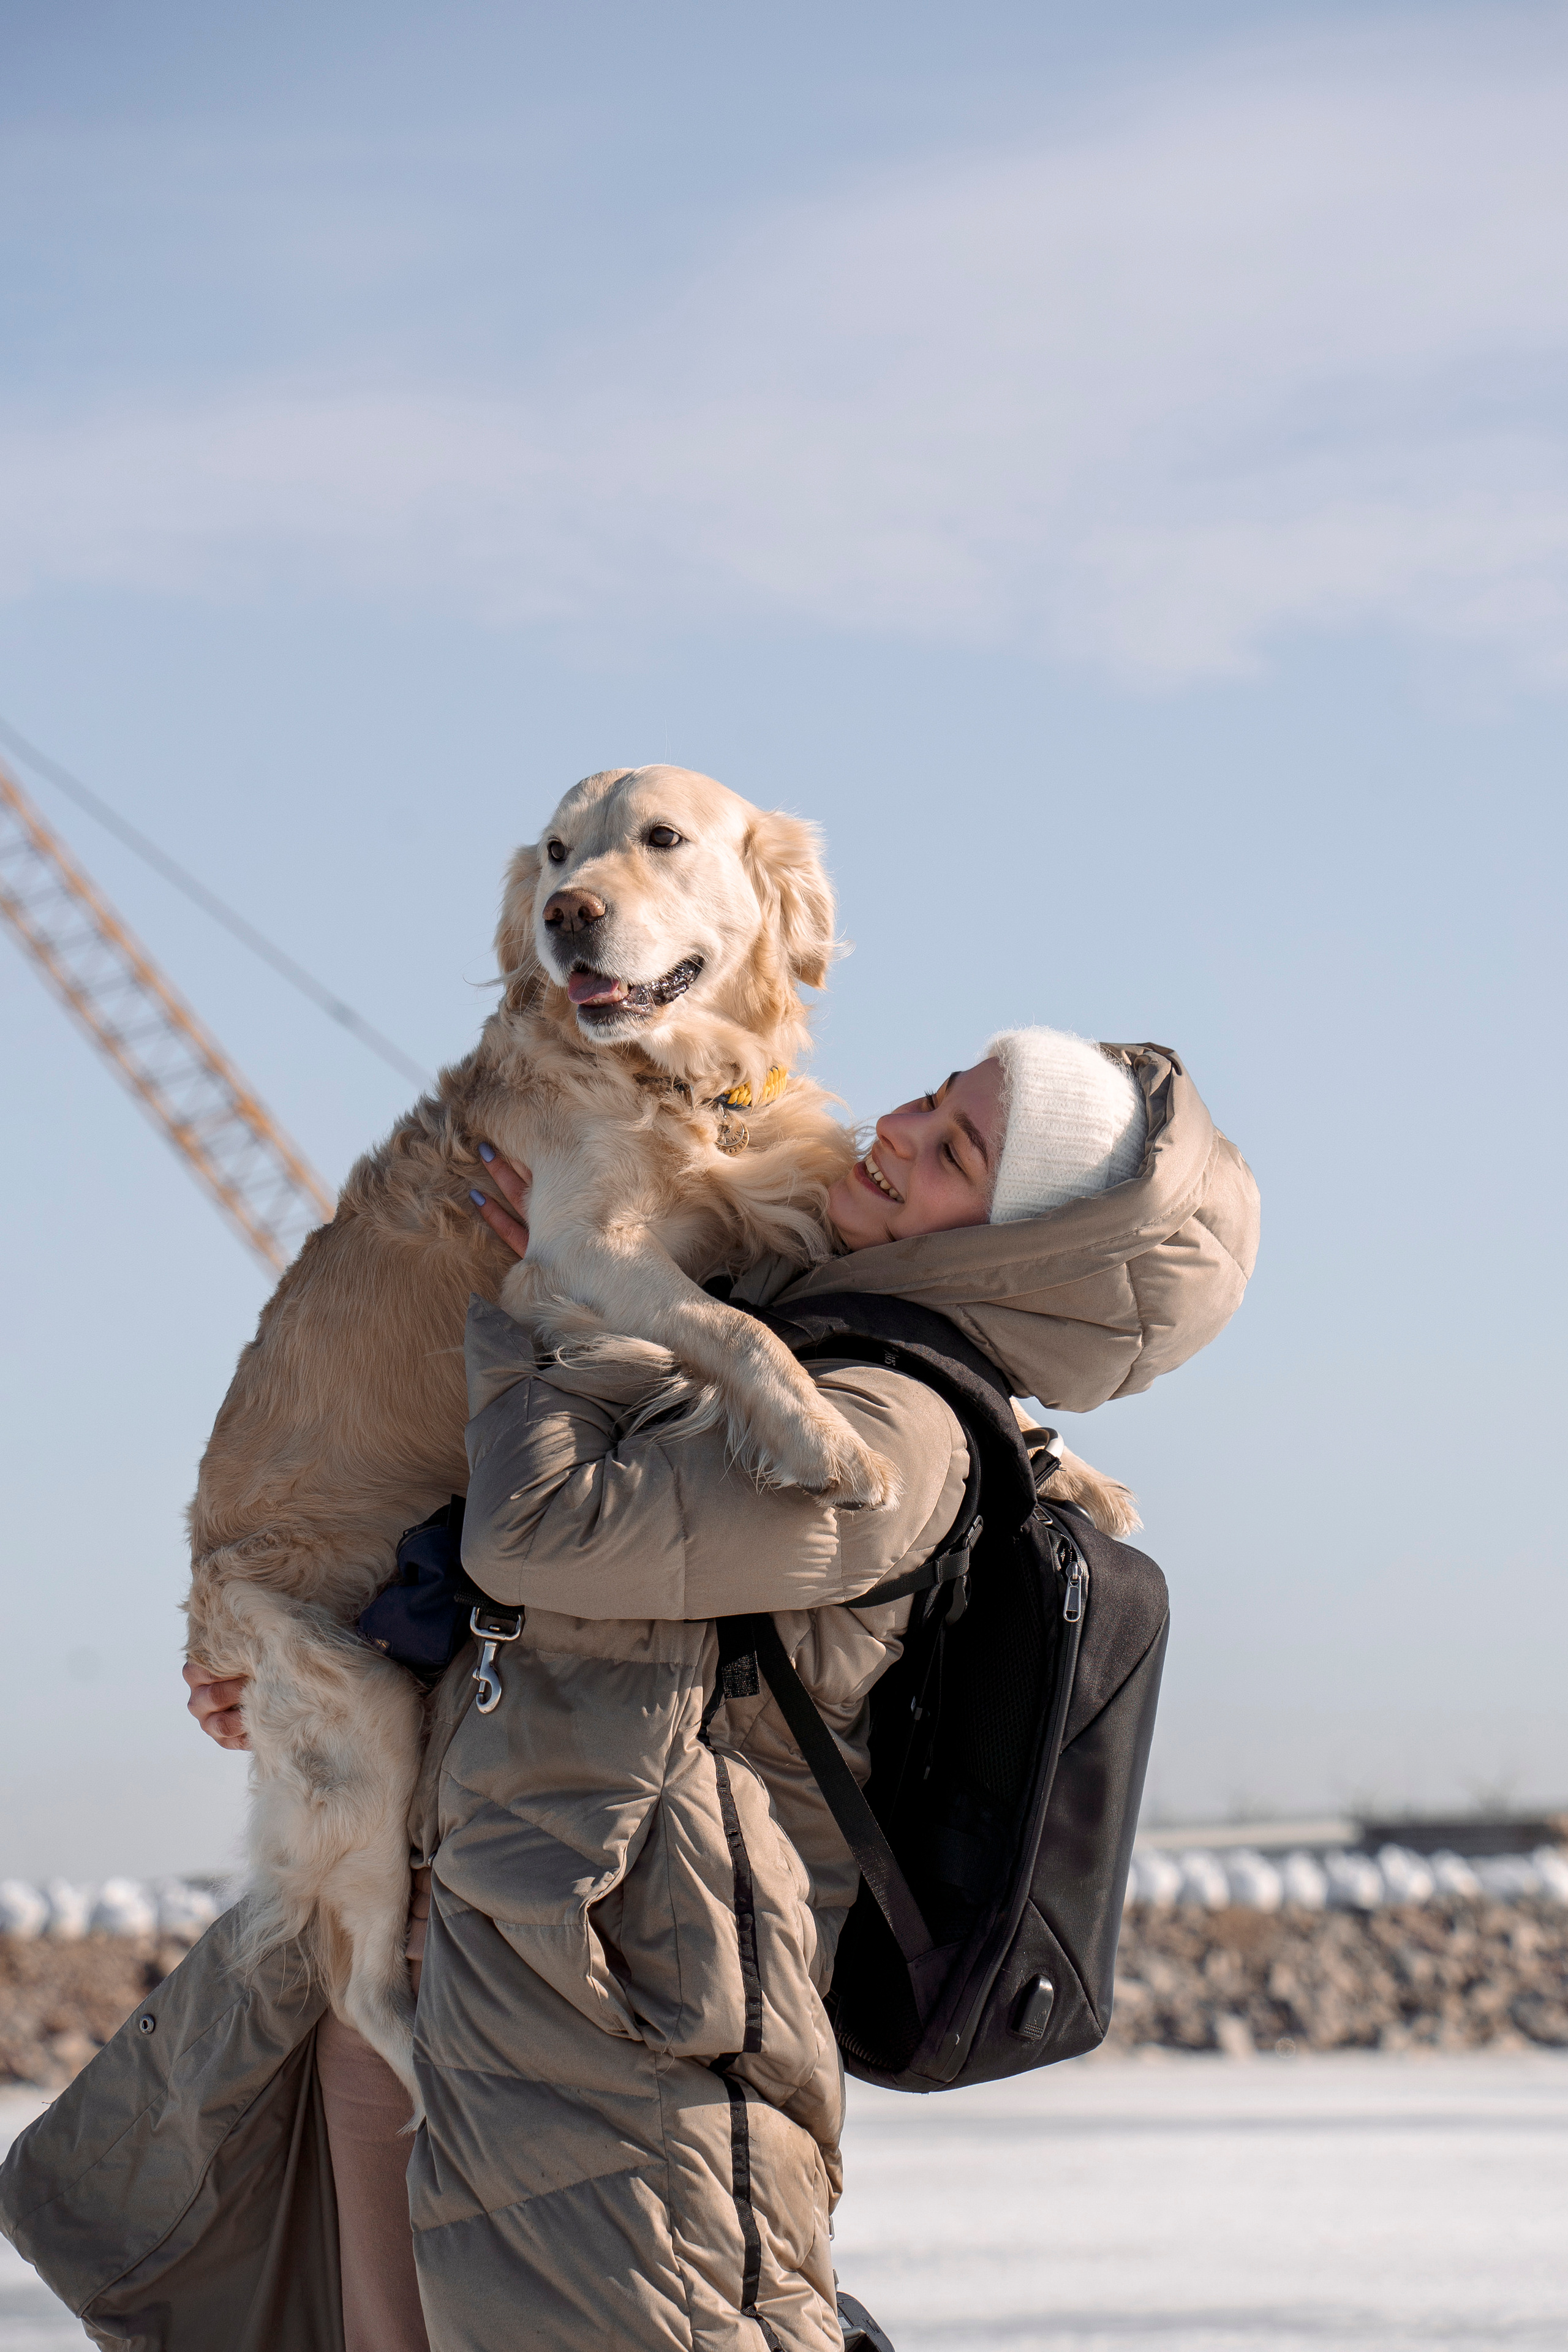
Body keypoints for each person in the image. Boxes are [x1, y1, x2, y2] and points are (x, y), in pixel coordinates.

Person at [3, 1030, 1258, 2351]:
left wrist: (564, 1299)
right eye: (932, 1097)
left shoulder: (893, 1427)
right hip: (453, 1972)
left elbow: (538, 1530)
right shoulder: (757, 1323)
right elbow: (567, 1637)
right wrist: (321, 1663)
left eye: (958, 1150)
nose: (897, 1129)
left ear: (1021, 1247)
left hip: (615, 2043)